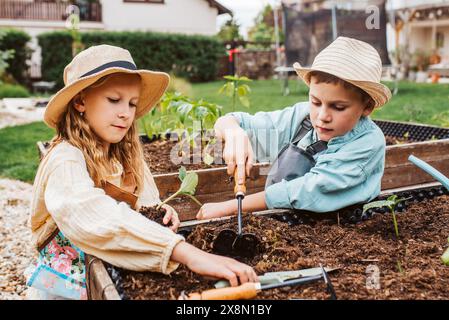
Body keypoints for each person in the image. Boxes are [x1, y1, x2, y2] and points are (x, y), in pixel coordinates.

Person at [25, 44, 257, 300]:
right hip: (67, 285)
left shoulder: (125, 154)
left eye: (132, 104)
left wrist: (159, 211)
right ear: (80, 101)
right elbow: (90, 213)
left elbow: (145, 201)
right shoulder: (65, 159)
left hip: (114, 268)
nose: (125, 113)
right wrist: (187, 253)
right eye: (114, 100)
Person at [197, 37, 392, 220]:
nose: (322, 116)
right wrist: (233, 132)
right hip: (289, 223)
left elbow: (311, 189)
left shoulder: (367, 143)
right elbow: (239, 122)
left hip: (346, 232)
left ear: (366, 107)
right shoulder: (303, 117)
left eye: (338, 107)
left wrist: (233, 207)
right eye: (316, 102)